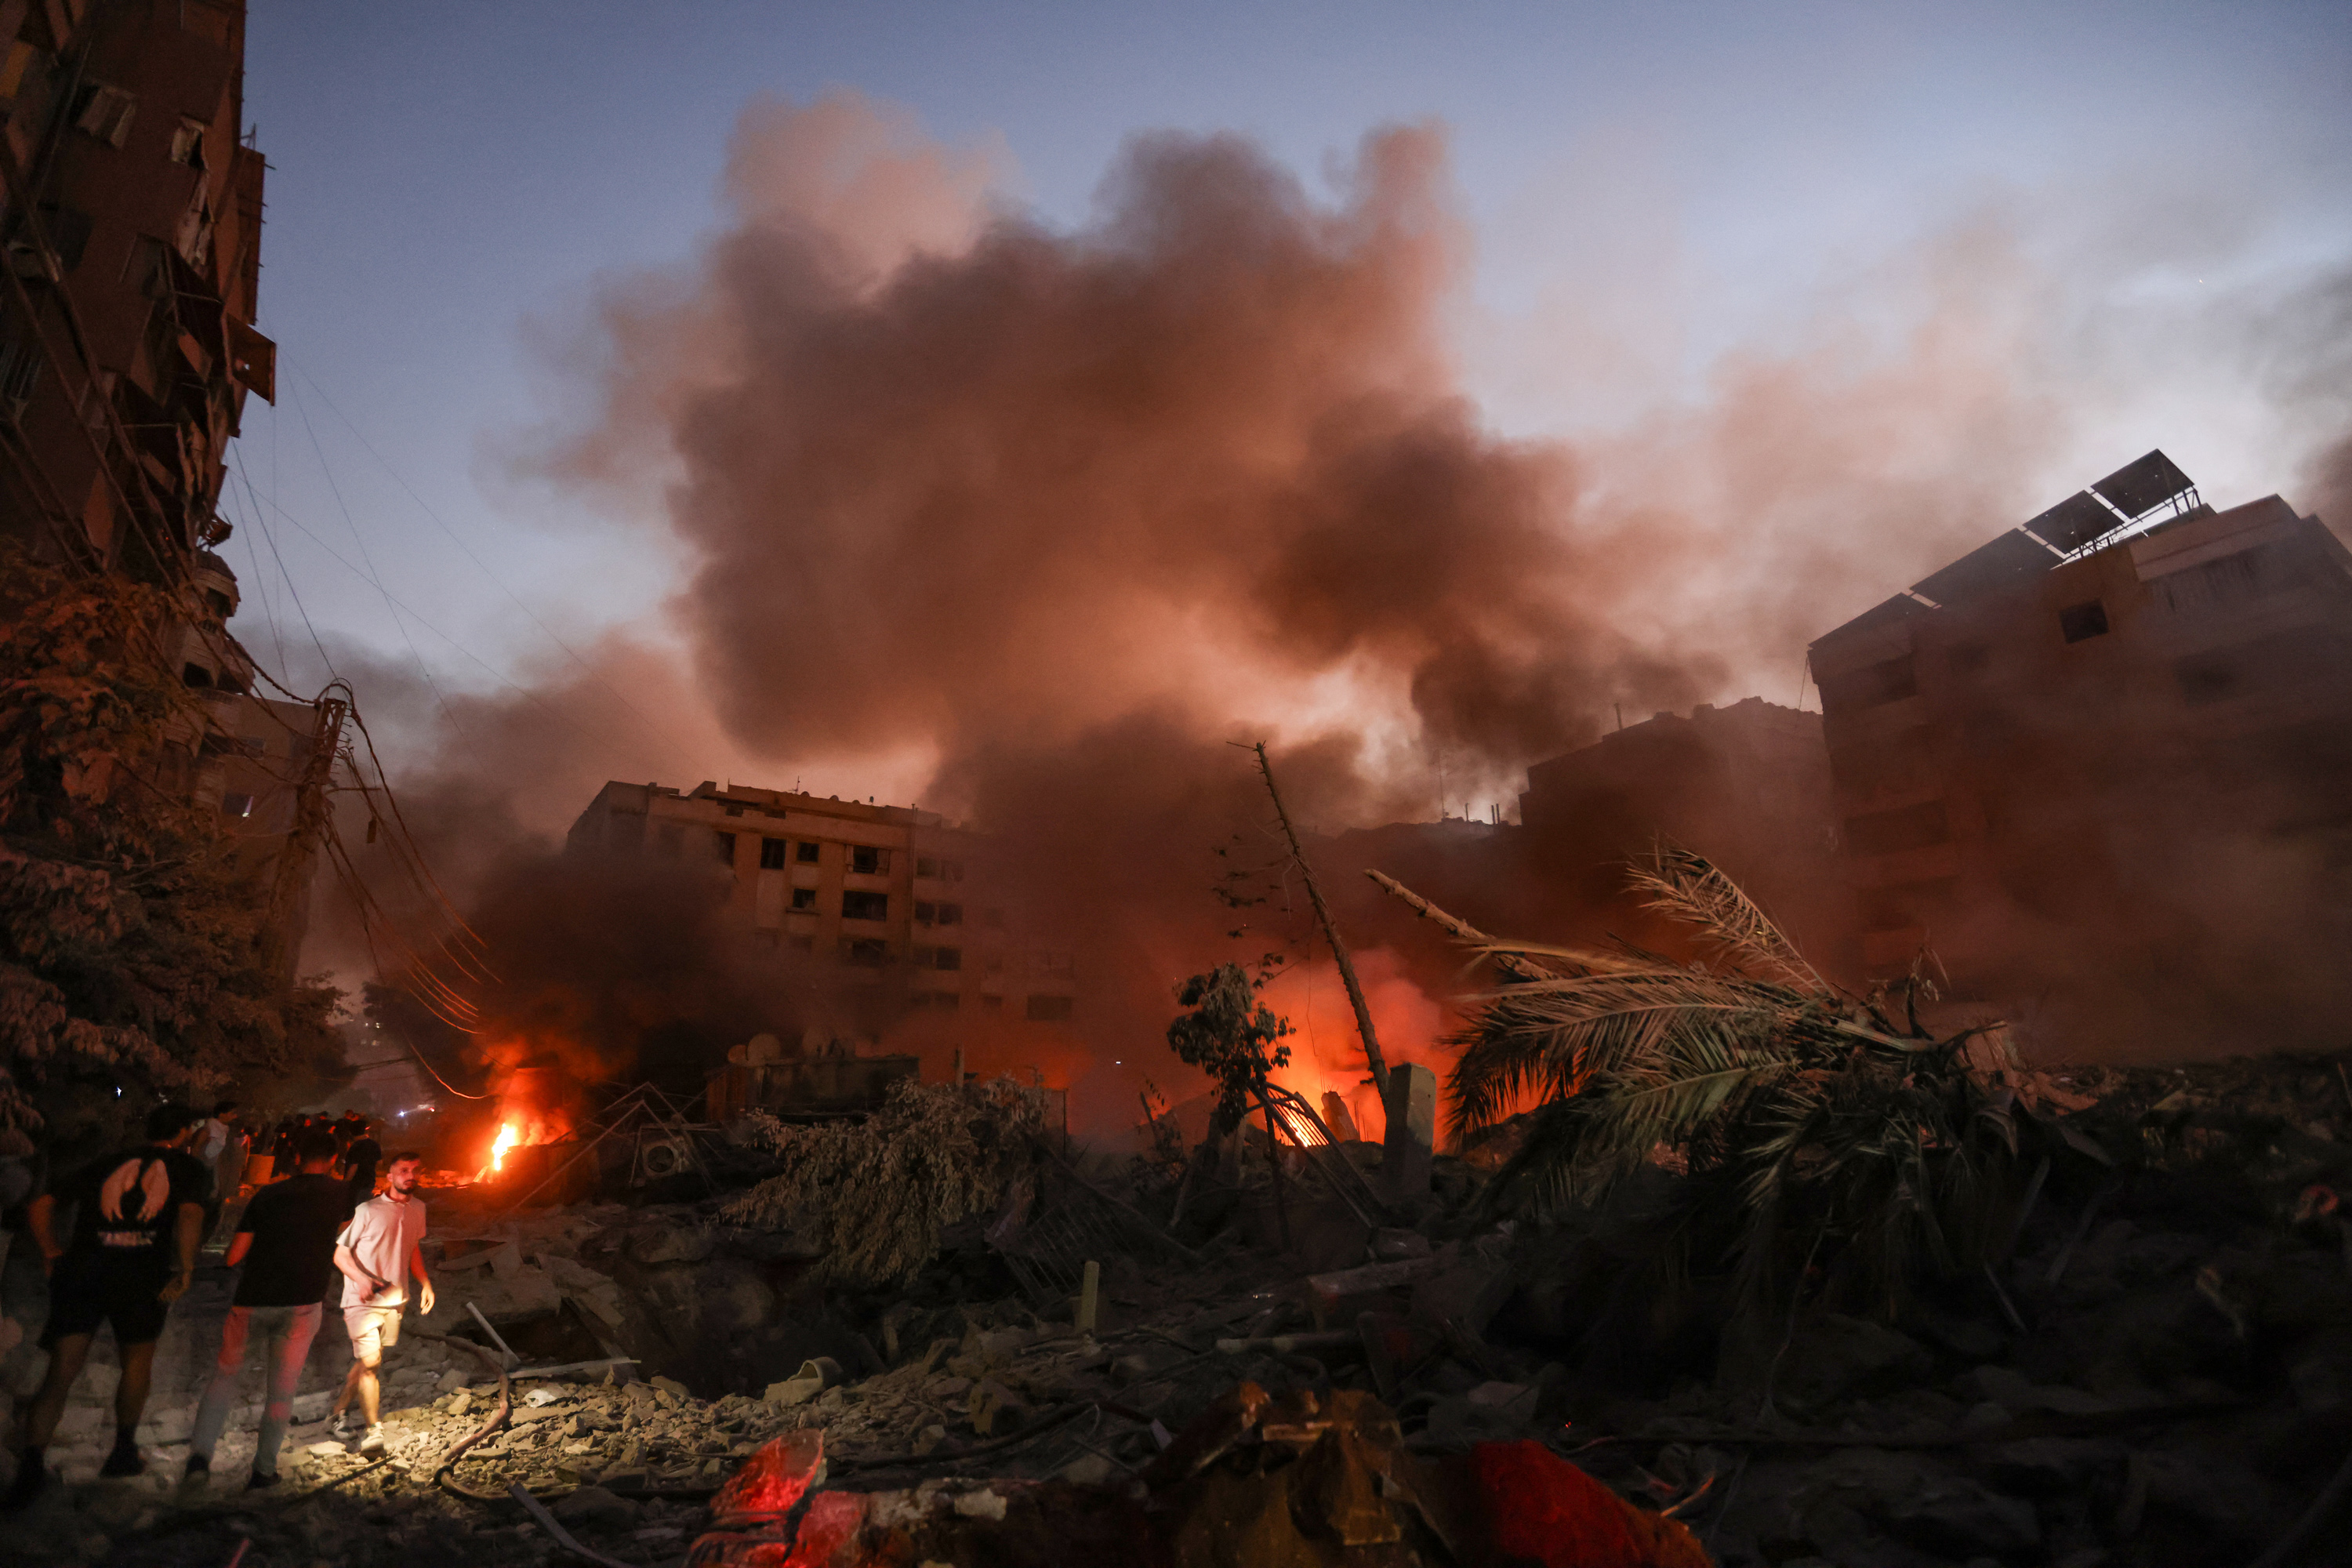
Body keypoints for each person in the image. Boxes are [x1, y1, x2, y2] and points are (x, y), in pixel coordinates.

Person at [6, 1103, 212, 1507]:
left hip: (83, 1272)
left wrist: (51, 1251)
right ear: (185, 1132)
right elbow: (189, 1214)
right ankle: (122, 1451)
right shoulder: (188, 1168)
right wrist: (186, 1267)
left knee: (62, 1369)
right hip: (140, 1276)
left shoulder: (106, 1162)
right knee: (137, 1362)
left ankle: (31, 1467)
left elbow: (40, 1204)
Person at [184, 1127, 351, 1491]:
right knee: (281, 1390)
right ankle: (263, 1472)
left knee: (224, 1379)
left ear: (294, 1158)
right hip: (303, 1305)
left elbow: (233, 1256)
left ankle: (198, 1463)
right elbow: (340, 1234)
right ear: (334, 1160)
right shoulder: (341, 1194)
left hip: (252, 1300)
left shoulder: (267, 1195)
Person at [328, 1151, 433, 1455]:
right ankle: (374, 1433)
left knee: (366, 1362)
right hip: (361, 1300)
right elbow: (340, 1254)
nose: (409, 1175)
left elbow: (411, 1247)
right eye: (403, 1170)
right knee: (372, 1363)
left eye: (415, 1170)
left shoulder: (419, 1209)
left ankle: (337, 1412)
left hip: (395, 1298)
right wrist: (362, 1281)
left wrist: (425, 1282)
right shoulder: (368, 1210)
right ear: (389, 1176)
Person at [339, 1118, 382, 1207]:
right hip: (370, 1181)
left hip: (356, 1184)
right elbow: (380, 1162)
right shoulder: (374, 1144)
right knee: (365, 1206)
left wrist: (345, 1182)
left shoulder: (355, 1147)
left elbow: (354, 1167)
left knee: (355, 1208)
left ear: (351, 1133)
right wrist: (371, 1171)